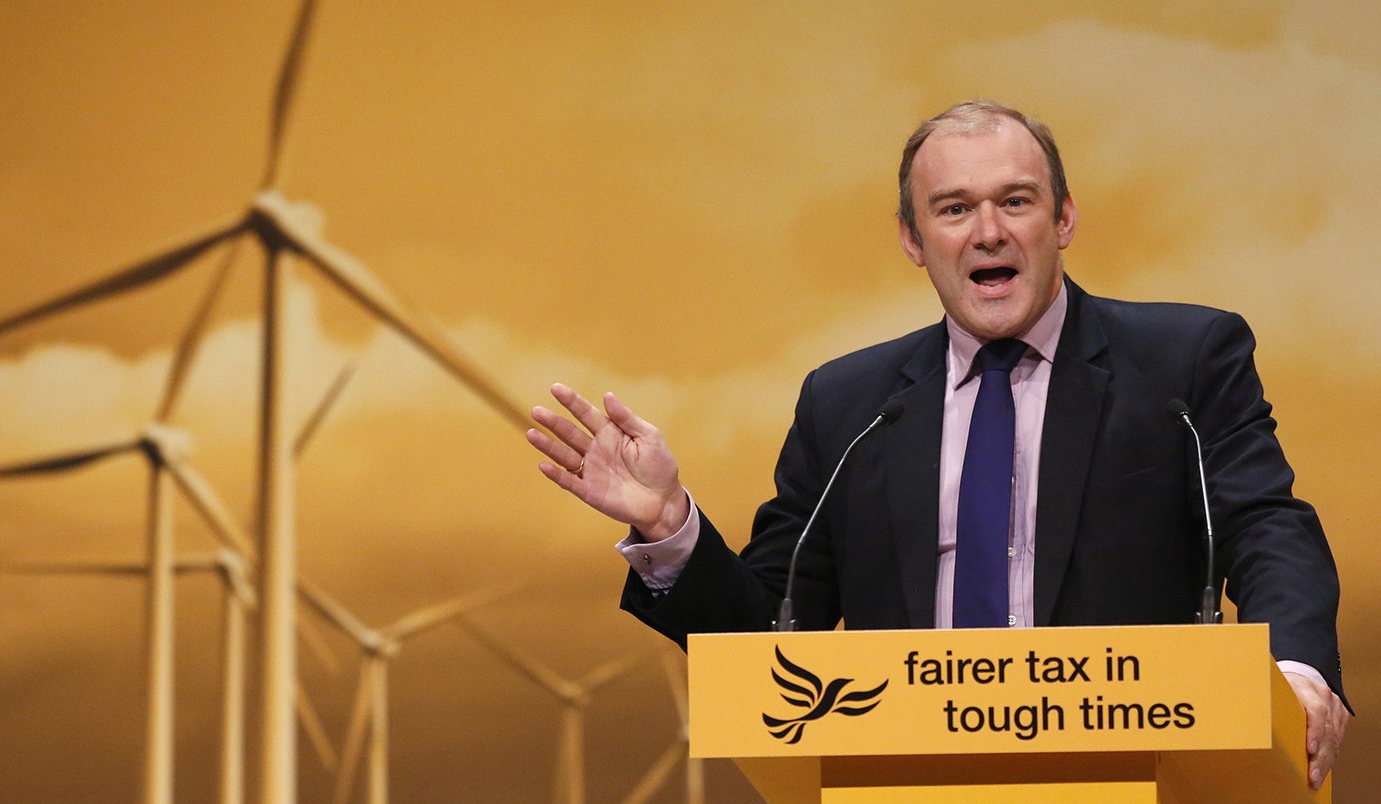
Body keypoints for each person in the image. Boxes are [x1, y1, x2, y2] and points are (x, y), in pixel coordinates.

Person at [526, 100, 1348, 789]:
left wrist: (1297, 674)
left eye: (1016, 201)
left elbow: (1267, 525)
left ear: (1063, 219)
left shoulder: (1184, 362)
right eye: (954, 209)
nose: (987, 231)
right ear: (914, 240)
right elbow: (775, 643)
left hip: (1147, 773)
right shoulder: (848, 403)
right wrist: (672, 527)